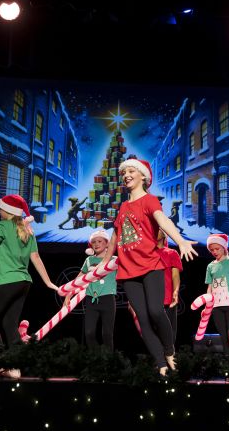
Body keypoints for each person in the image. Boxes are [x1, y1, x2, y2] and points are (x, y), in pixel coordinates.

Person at [101, 158, 198, 375]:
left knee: (155, 311)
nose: (126, 174)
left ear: (143, 176)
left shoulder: (150, 200)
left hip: (151, 265)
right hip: (128, 270)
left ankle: (169, 350)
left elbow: (162, 220)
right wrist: (105, 262)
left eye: (131, 171)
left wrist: (180, 240)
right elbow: (116, 237)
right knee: (142, 319)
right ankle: (161, 364)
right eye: (124, 171)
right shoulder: (123, 206)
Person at [0, 195, 58, 349]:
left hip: (7, 281)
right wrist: (48, 282)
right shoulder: (28, 231)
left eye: (0, 208)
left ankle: (2, 360)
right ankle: (15, 365)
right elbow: (36, 258)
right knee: (9, 324)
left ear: (8, 210)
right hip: (24, 282)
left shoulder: (1, 226)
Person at [64, 229, 117, 351]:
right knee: (89, 333)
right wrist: (68, 295)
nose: (96, 244)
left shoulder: (114, 260)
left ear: (107, 244)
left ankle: (109, 361)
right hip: (91, 300)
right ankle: (96, 357)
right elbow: (78, 279)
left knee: (107, 334)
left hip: (108, 299)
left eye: (99, 241)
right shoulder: (89, 260)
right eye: (94, 242)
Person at [205, 233, 229, 359]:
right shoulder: (210, 266)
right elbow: (209, 287)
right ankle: (228, 361)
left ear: (224, 247)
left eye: (217, 249)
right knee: (223, 334)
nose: (214, 252)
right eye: (211, 250)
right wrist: (207, 305)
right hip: (216, 306)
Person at [157, 229, 183, 346]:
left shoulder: (171, 253)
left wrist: (176, 291)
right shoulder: (146, 254)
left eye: (157, 229)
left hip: (167, 299)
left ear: (164, 234)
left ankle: (170, 360)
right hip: (150, 299)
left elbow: (175, 275)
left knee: (169, 333)